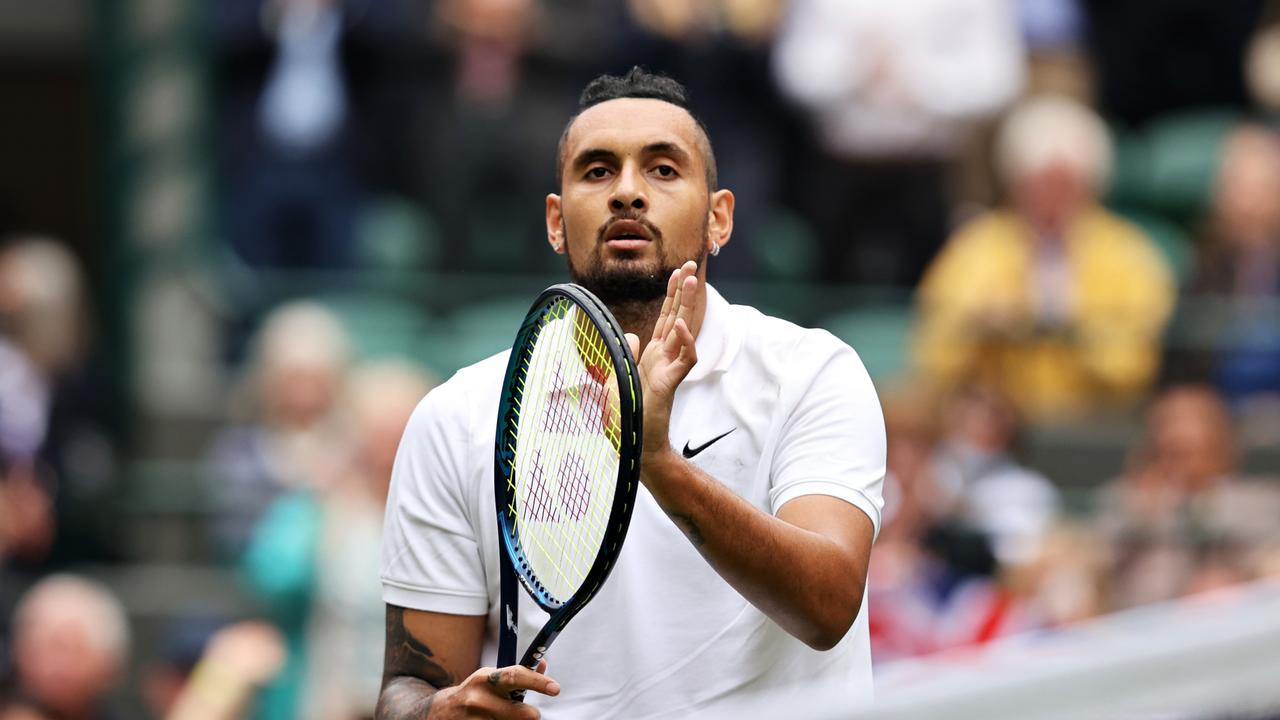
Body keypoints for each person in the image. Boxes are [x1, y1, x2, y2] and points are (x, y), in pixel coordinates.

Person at [377, 68, 886, 718]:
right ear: (556, 222)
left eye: (663, 170)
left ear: (720, 218)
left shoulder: (812, 373)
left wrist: (659, 464)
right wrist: (440, 712)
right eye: (596, 171)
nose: (626, 192)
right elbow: (404, 688)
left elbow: (828, 605)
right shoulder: (457, 418)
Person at [912, 95, 1176, 420]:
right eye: (1038, 184)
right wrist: (979, 328)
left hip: (1099, 423)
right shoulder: (975, 248)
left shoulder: (1130, 253)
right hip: (995, 423)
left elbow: (1138, 364)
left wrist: (1072, 331)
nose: (1050, 199)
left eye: (1064, 185)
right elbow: (932, 358)